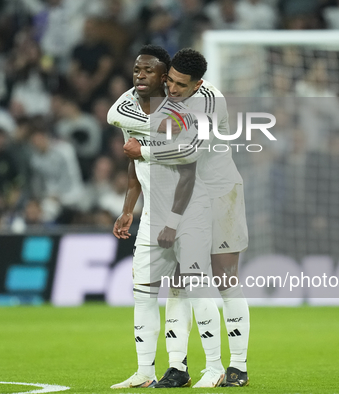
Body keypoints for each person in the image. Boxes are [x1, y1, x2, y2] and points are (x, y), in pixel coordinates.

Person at [117, 48, 250, 387]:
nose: (173, 88)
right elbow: (120, 116)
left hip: (219, 192)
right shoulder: (163, 98)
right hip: (182, 199)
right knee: (179, 284)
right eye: (170, 80)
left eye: (181, 85)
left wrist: (142, 146)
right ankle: (177, 368)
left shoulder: (209, 102)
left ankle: (236, 366)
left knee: (224, 278)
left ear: (198, 84)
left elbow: (188, 151)